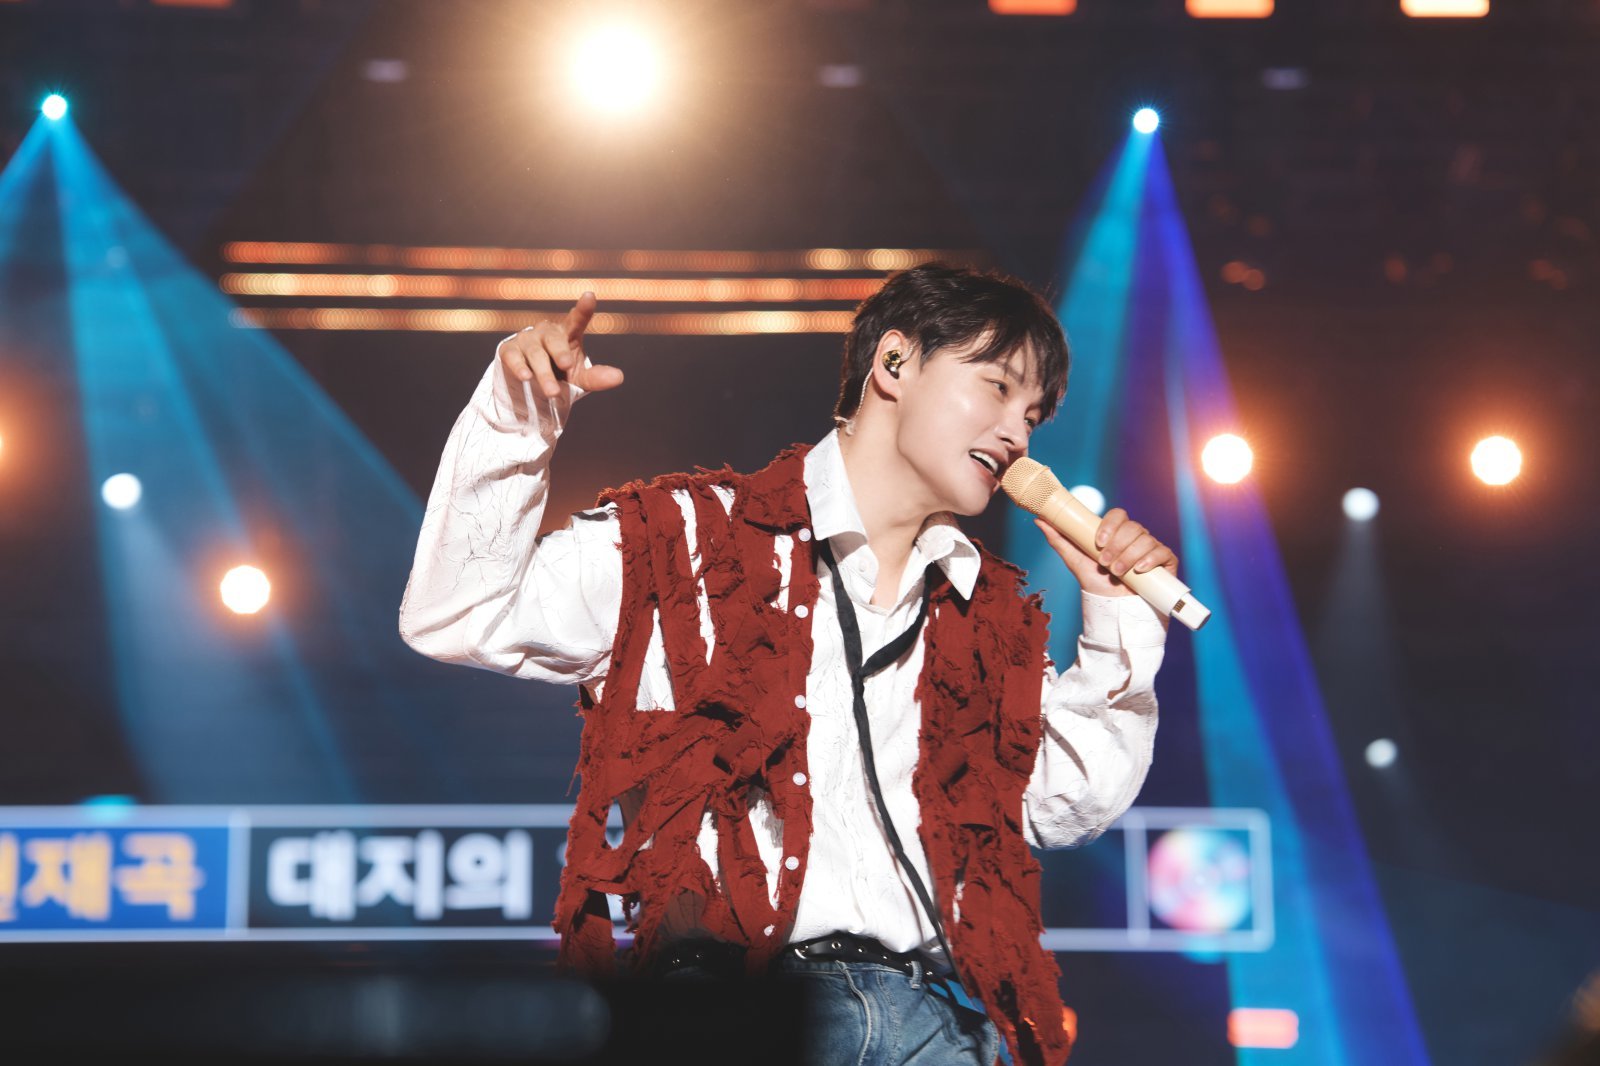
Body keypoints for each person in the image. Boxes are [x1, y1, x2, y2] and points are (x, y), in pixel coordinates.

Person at [399, 263, 1176, 1066]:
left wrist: (1119, 617)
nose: (1018, 433)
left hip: (936, 1026)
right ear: (894, 363)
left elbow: (1062, 806)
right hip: (736, 1015)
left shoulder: (987, 616)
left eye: (1034, 415)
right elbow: (457, 612)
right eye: (998, 388)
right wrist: (517, 418)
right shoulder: (684, 543)